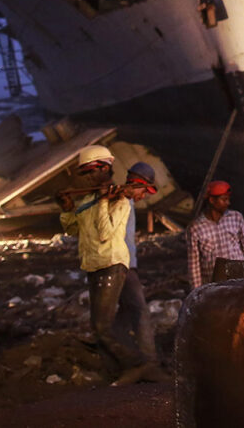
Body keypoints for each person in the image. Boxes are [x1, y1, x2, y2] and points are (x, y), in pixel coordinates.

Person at [58, 145, 154, 383]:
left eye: (91, 171)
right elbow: (74, 230)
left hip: (115, 263)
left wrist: (103, 202)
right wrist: (67, 208)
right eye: (85, 173)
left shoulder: (119, 199)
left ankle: (142, 363)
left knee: (108, 324)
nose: (88, 177)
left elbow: (105, 234)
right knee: (105, 323)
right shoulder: (90, 198)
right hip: (95, 266)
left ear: (105, 168)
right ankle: (121, 368)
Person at [115, 162, 160, 366]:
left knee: (124, 314)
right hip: (120, 264)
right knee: (140, 310)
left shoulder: (128, 202)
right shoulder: (118, 201)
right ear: (136, 183)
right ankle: (149, 361)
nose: (145, 196)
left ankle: (121, 354)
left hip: (125, 264)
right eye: (145, 190)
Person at [186, 180, 244, 289]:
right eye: (224, 199)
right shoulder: (196, 228)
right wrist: (197, 291)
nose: (228, 203)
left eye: (228, 199)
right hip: (213, 285)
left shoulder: (236, 217)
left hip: (239, 279)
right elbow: (194, 264)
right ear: (212, 200)